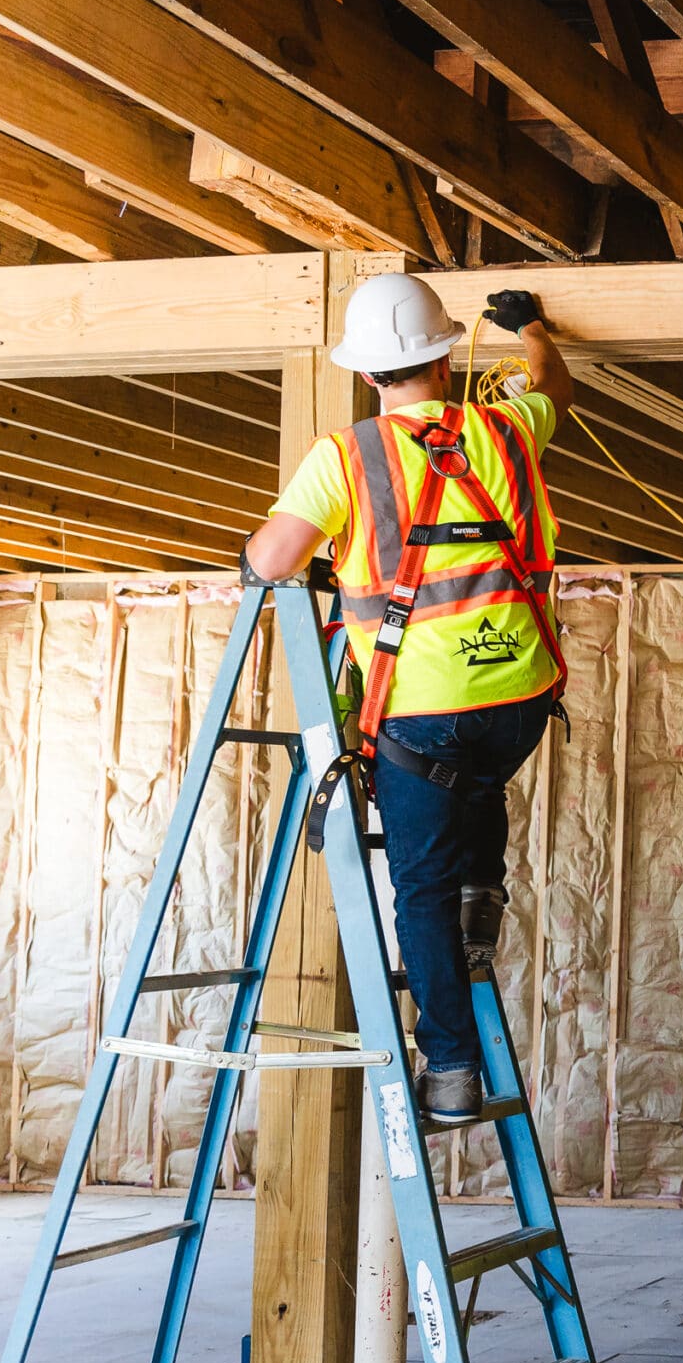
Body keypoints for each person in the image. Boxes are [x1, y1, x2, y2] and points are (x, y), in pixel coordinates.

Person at [240, 272, 571, 1125]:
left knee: (418, 885)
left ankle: (454, 1072)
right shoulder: (504, 427)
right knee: (479, 785)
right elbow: (553, 388)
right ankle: (483, 895)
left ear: (365, 373)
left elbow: (273, 559)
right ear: (447, 353)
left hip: (421, 710)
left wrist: (285, 551)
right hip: (522, 697)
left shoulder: (345, 456)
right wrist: (533, 331)